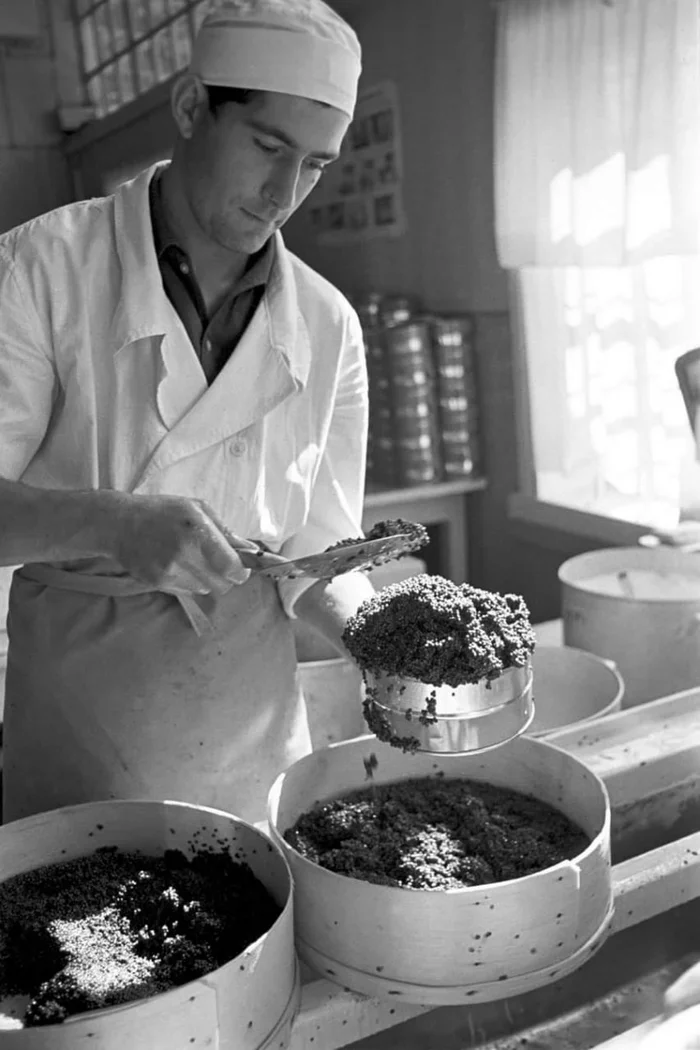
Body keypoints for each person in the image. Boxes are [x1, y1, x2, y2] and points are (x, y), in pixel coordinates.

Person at [0, 0, 374, 826]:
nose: (283, 193)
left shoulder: (326, 323)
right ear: (189, 107)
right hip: (80, 726)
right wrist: (115, 525)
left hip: (250, 739)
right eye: (267, 147)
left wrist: (386, 640)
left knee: (254, 927)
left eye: (314, 165)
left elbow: (321, 552)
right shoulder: (40, 271)